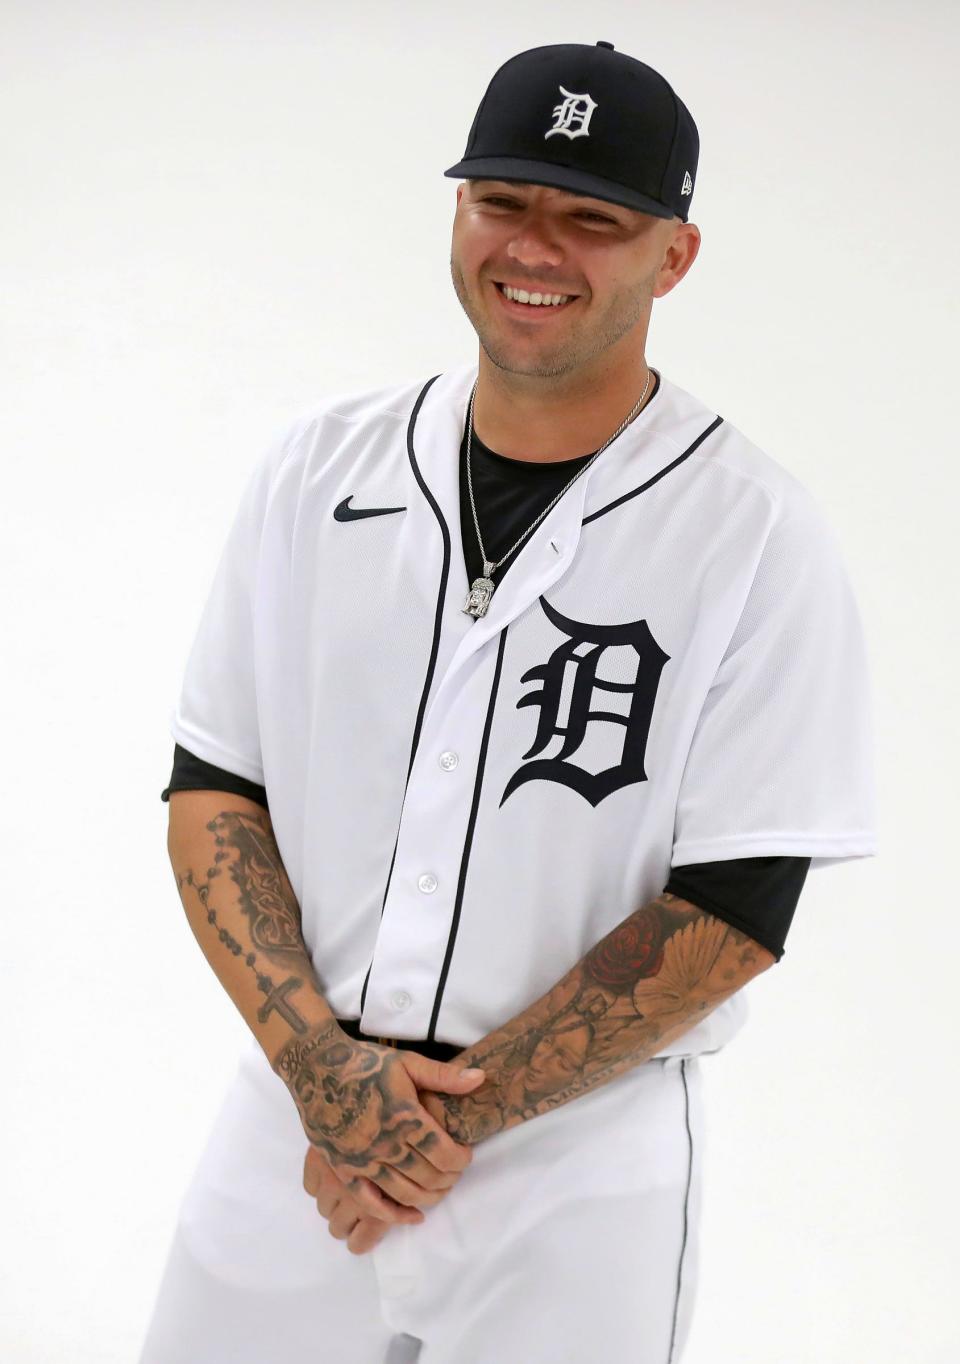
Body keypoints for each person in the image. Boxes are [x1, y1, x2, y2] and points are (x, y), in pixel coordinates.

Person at [139, 40, 877, 1364]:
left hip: (575, 1161)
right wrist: (326, 1078)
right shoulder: (318, 470)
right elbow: (213, 792)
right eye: (505, 201)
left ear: (674, 256)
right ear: (459, 209)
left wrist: (426, 1127)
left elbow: (736, 911)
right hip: (292, 1121)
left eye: (593, 218)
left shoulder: (754, 533)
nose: (536, 246)